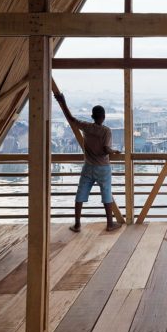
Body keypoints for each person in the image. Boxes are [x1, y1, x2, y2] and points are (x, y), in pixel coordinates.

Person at [54, 92, 121, 233]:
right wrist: (114, 151)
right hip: (103, 168)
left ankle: (77, 224)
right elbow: (106, 149)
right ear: (104, 117)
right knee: (106, 194)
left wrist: (62, 102)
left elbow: (70, 118)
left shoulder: (86, 127)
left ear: (92, 117)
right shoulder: (106, 131)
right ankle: (110, 224)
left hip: (88, 166)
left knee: (80, 194)